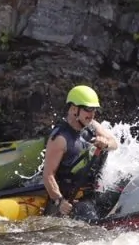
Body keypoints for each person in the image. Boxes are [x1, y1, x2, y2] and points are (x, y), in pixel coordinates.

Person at [42, 85, 120, 221]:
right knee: (93, 222)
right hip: (73, 200)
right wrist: (59, 201)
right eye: (88, 109)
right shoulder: (60, 139)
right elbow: (48, 175)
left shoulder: (92, 125)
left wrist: (105, 144)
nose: (92, 114)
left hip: (92, 193)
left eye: (94, 110)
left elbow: (114, 144)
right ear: (73, 109)